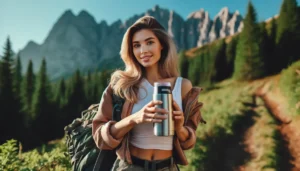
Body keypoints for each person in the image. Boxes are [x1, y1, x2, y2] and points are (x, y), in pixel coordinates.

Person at [92, 16, 205, 171]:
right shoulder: (121, 86)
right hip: (129, 167)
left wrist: (179, 128)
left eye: (149, 42)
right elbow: (100, 138)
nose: (143, 50)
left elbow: (189, 142)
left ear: (162, 45)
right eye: (136, 45)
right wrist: (135, 118)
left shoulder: (183, 86)